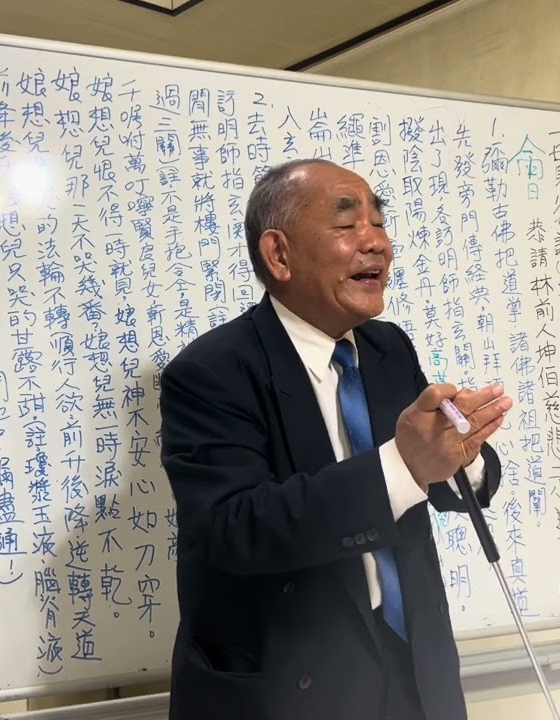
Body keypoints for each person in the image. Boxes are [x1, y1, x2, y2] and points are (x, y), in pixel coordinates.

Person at [158, 158, 512, 720]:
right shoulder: (212, 371)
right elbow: (236, 529)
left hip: (415, 675)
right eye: (347, 225)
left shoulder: (388, 348)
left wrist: (462, 455)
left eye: (380, 223)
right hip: (290, 690)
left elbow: (438, 479)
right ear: (279, 255)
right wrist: (403, 465)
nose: (377, 244)